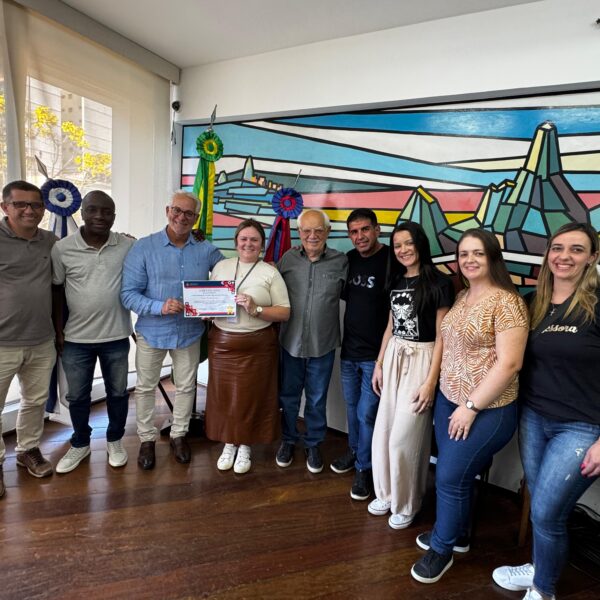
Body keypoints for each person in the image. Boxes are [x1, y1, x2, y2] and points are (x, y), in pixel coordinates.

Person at [411, 228, 529, 584]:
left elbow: (510, 363)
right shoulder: (463, 296)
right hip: (449, 401)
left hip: (487, 410)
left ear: (492, 257)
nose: (470, 260)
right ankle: (457, 534)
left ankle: (442, 549)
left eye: (478, 253)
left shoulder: (508, 302)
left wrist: (471, 406)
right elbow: (448, 344)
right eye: (464, 254)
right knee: (456, 477)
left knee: (449, 477)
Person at [492, 223, 600, 600]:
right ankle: (540, 567)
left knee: (547, 512)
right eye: (557, 248)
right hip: (535, 418)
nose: (564, 256)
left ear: (592, 258)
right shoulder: (533, 303)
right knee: (540, 504)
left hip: (583, 427)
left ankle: (544, 590)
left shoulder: (596, 305)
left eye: (576, 249)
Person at [121, 191, 224, 470]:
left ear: (196, 218)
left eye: (189, 213)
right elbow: (128, 294)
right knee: (145, 388)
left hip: (189, 332)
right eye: (177, 210)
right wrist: (159, 306)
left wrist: (259, 267)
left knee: (186, 386)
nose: (181, 217)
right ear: (168, 211)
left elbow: (229, 273)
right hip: (152, 331)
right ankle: (147, 439)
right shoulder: (144, 247)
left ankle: (179, 435)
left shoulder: (206, 249)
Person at [368, 221, 454, 528]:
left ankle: (407, 503)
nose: (403, 250)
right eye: (397, 245)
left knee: (405, 437)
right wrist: (379, 363)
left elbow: (442, 336)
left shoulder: (439, 283)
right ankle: (387, 493)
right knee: (383, 432)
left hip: (422, 358)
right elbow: (391, 326)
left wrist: (431, 381)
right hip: (394, 356)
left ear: (420, 244)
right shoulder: (396, 280)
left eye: (408, 243)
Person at [52, 191, 134, 474]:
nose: (100, 216)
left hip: (116, 336)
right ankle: (80, 443)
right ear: (83, 212)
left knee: (118, 393)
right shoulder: (62, 248)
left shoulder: (127, 245)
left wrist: (194, 235)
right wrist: (58, 331)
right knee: (77, 397)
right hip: (76, 338)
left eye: (107, 211)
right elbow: (56, 290)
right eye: (93, 210)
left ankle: (115, 440)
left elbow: (155, 252)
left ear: (114, 216)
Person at [205, 219, 290, 474]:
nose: (248, 244)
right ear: (236, 242)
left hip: (258, 346)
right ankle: (229, 443)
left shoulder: (270, 272)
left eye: (254, 239)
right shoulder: (221, 267)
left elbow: (285, 312)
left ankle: (245, 445)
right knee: (224, 398)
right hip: (223, 344)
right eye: (244, 239)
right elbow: (210, 301)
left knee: (252, 398)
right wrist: (204, 311)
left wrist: (257, 308)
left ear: (262, 244)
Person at [276, 208, 348, 473]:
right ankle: (288, 439)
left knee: (317, 399)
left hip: (323, 344)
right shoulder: (287, 259)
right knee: (289, 397)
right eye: (306, 230)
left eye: (318, 230)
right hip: (290, 342)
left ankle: (314, 443)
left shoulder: (341, 261)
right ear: (299, 232)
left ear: (328, 232)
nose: (312, 236)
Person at [0, 180, 58, 493]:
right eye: (20, 204)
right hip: (2, 343)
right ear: (4, 207)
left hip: (41, 339)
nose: (29, 210)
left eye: (35, 204)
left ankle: (27, 450)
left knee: (35, 401)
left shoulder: (50, 241)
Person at [330, 208, 389, 500]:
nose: (360, 236)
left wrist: (383, 359)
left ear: (377, 230)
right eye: (354, 232)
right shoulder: (349, 260)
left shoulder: (391, 260)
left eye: (365, 229)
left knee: (367, 413)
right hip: (349, 352)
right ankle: (355, 452)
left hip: (375, 358)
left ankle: (364, 468)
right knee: (353, 410)